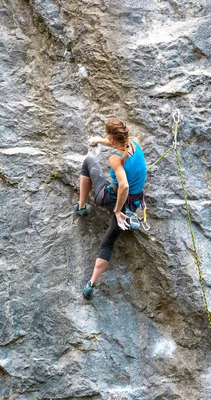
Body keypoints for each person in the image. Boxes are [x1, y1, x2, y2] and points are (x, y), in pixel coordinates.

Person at [74, 119, 147, 300]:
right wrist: (99, 140)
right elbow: (118, 142)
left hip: (111, 199)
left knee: (89, 161)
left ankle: (82, 207)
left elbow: (124, 186)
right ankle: (90, 285)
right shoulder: (135, 143)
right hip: (133, 204)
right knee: (108, 242)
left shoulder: (115, 158)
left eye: (107, 136)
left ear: (113, 137)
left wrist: (116, 210)